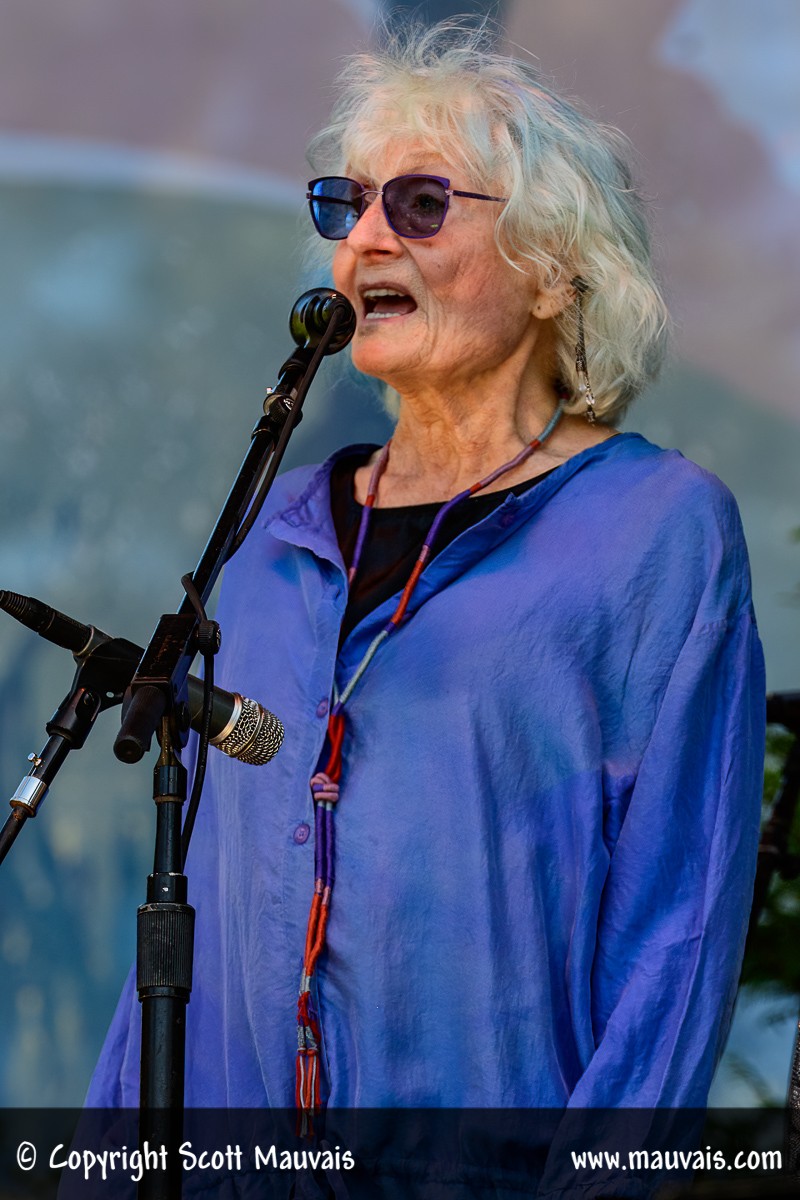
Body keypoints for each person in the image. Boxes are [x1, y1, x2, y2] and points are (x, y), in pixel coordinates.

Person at [87, 20, 765, 1197]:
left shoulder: (657, 531)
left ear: (554, 264)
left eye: (415, 204)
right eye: (344, 205)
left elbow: (677, 936)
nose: (360, 242)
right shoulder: (273, 537)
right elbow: (182, 915)